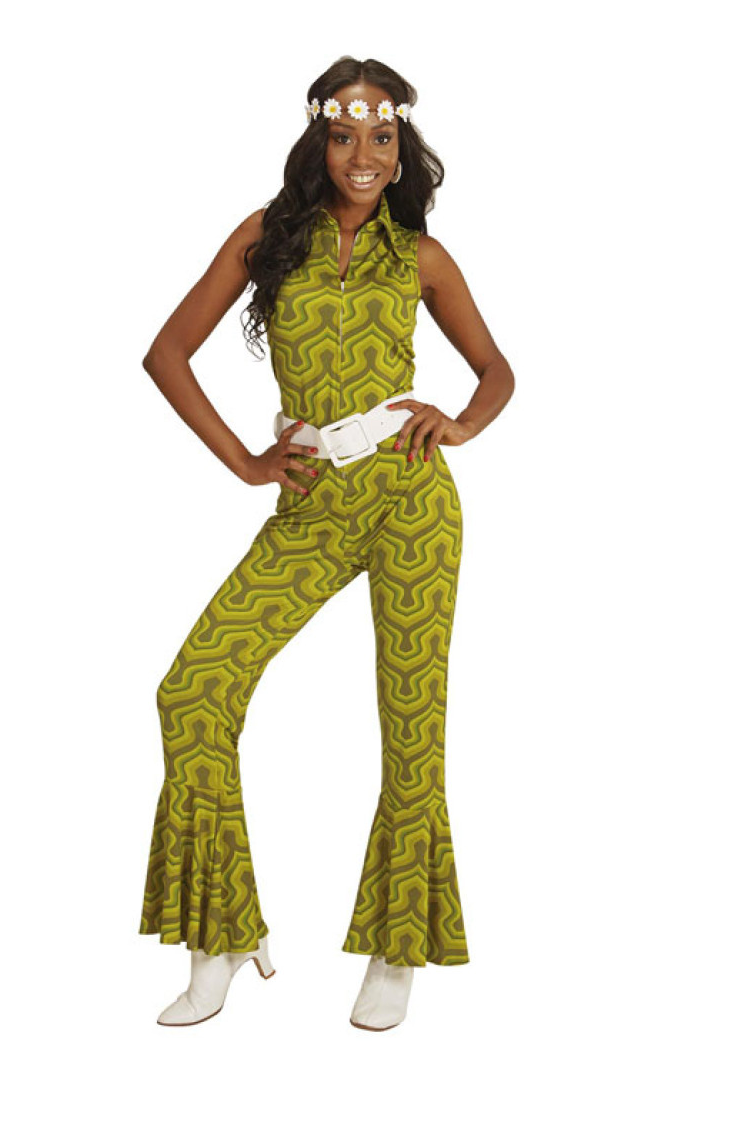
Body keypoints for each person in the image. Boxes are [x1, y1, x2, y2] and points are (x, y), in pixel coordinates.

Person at [137, 56, 514, 1030]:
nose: (362, 156)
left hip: (409, 497)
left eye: (381, 138)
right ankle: (221, 934)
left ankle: (398, 947)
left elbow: (495, 370)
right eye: (344, 136)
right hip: (311, 504)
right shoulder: (265, 236)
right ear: (320, 139)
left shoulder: (422, 257)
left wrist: (460, 424)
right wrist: (246, 463)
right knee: (192, 691)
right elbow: (166, 353)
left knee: (411, 728)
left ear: (401, 150)